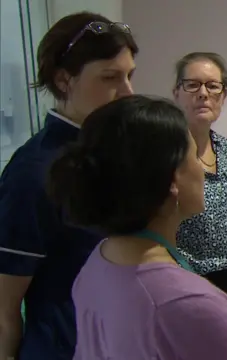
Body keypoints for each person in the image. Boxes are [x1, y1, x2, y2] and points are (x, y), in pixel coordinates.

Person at [47, 94, 227, 359]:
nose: (202, 168)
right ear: (173, 182)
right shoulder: (191, 304)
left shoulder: (100, 260)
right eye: (194, 157)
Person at [0, 12, 137, 360]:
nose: (127, 92)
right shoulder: (33, 172)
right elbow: (5, 306)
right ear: (63, 80)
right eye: (110, 77)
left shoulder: (115, 153)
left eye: (129, 76)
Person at [172, 52, 227, 311]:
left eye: (212, 86)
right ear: (177, 92)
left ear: (223, 95)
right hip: (187, 281)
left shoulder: (226, 148)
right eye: (192, 85)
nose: (203, 93)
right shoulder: (166, 151)